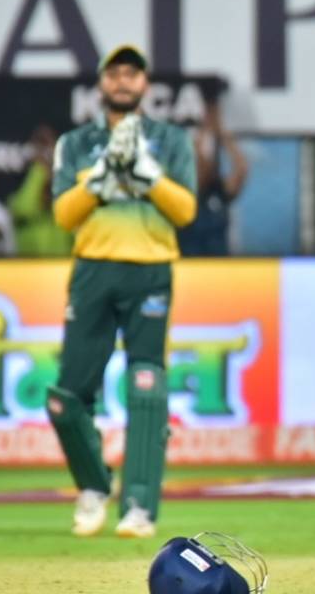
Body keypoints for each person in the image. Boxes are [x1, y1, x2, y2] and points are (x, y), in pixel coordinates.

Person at [47, 44, 197, 539]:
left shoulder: (171, 141)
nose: (123, 81)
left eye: (132, 74)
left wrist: (147, 178)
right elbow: (64, 215)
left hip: (150, 270)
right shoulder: (75, 143)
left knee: (146, 387)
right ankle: (93, 487)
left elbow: (185, 212)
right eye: (115, 74)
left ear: (145, 85)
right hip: (93, 268)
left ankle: (139, 507)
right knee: (67, 396)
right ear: (101, 84)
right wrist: (100, 180)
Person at [177, 101, 248, 256]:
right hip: (186, 268)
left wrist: (221, 133)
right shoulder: (178, 194)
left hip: (218, 268)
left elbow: (241, 169)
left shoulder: (218, 191)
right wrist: (199, 139)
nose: (202, 166)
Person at [8, 123, 73, 257]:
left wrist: (53, 168)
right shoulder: (20, 175)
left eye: (48, 143)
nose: (44, 149)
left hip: (61, 264)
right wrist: (38, 169)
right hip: (28, 263)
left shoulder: (67, 177)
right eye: (39, 142)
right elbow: (24, 210)